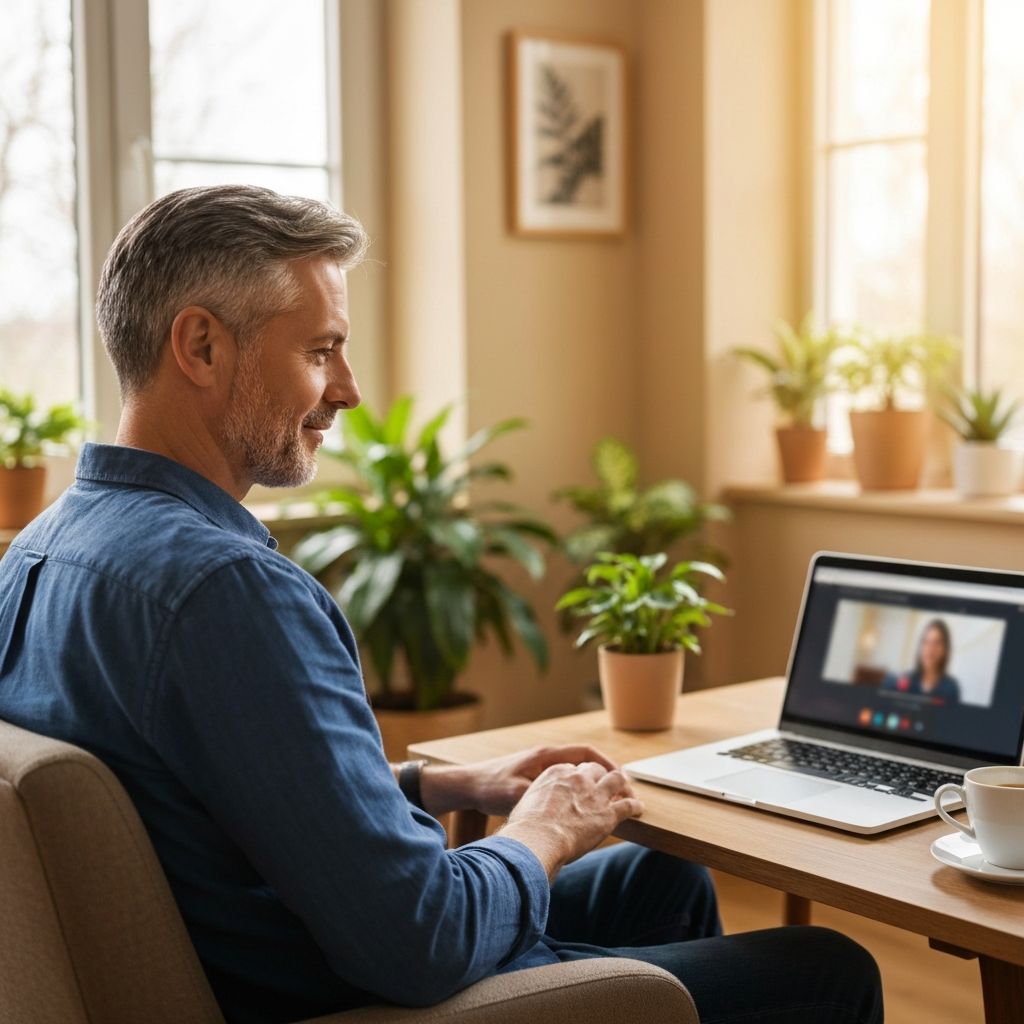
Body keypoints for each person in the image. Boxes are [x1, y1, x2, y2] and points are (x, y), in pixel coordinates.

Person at [0, 186, 883, 1024]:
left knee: (661, 882)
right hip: (355, 1000)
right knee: (828, 971)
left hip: (278, 955)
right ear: (199, 347)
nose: (347, 387)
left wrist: (436, 784)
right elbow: (423, 939)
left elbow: (198, 794)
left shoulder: (40, 551)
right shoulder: (225, 592)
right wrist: (541, 829)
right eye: (319, 351)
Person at [881, 619, 961, 704]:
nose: (930, 649)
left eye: (937, 643)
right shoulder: (906, 679)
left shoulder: (951, 688)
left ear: (945, 650)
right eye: (925, 642)